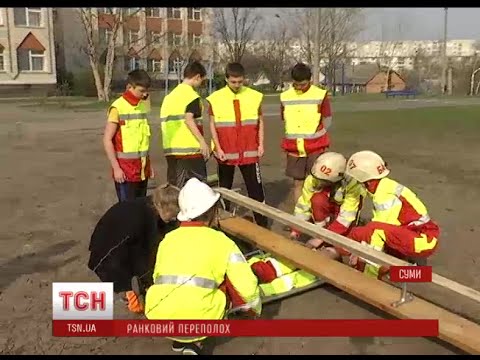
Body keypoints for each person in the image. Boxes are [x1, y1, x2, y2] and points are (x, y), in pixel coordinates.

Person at [145, 178, 262, 355]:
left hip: (160, 316)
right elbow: (247, 286)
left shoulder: (168, 240)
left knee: (182, 289)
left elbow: (158, 278)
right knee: (226, 283)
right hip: (198, 319)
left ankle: (179, 339)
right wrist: (254, 308)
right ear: (212, 211)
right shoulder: (222, 242)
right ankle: (196, 343)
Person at [344, 150, 440, 278]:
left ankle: (370, 278)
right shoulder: (384, 187)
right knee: (361, 233)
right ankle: (413, 271)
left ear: (366, 181)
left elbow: (377, 231)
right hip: (415, 235)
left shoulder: (384, 196)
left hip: (421, 240)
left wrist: (360, 254)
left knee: (373, 231)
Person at [87, 184, 180, 313]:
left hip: (124, 240)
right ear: (165, 209)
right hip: (107, 251)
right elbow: (133, 257)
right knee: (129, 275)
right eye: (173, 215)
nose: (174, 219)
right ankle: (128, 293)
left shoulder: (152, 205)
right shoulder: (138, 221)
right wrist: (126, 288)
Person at [207, 62, 268, 228]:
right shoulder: (215, 99)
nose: (237, 85)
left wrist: (261, 144)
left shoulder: (254, 96)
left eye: (240, 82)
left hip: (249, 152)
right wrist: (218, 148)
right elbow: (212, 124)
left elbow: (260, 121)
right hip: (226, 152)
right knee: (225, 190)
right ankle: (223, 224)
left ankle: (262, 224)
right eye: (233, 82)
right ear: (226, 79)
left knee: (255, 190)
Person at [280, 63, 333, 216]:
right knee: (298, 183)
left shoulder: (320, 95)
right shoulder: (285, 96)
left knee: (317, 183)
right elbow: (285, 118)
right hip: (294, 148)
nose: (299, 87)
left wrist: (318, 134)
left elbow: (327, 118)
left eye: (302, 84)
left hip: (315, 147)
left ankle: (317, 214)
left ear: (309, 80)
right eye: (296, 84)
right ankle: (300, 216)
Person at [289, 152, 366, 255]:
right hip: (331, 200)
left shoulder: (352, 184)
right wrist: (296, 230)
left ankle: (330, 240)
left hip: (345, 207)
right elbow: (303, 206)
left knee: (344, 246)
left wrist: (321, 239)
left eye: (324, 181)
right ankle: (322, 230)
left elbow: (346, 217)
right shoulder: (314, 178)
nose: (319, 182)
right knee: (317, 200)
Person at [103, 69, 153, 202]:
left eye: (146, 91)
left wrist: (148, 166)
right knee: (127, 211)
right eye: (141, 91)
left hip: (142, 170)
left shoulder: (142, 106)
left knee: (141, 208)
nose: (145, 94)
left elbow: (143, 141)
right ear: (129, 87)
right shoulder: (117, 108)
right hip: (125, 172)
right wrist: (116, 168)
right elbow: (107, 140)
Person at [160, 61, 209, 188]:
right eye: (202, 81)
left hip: (171, 151)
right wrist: (202, 142)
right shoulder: (191, 96)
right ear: (197, 77)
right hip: (190, 151)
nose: (201, 84)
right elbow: (189, 119)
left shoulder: (169, 97)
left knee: (175, 188)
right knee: (198, 188)